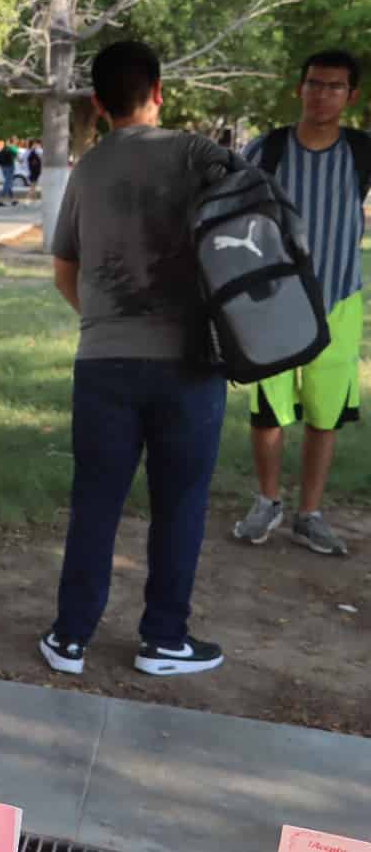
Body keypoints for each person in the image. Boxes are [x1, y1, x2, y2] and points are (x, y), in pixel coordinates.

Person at [41, 40, 232, 679]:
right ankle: (164, 639)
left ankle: (69, 639)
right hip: (192, 361)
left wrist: (101, 321)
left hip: (104, 362)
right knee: (180, 504)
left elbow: (64, 268)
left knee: (96, 502)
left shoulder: (87, 171)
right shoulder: (198, 154)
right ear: (159, 92)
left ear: (97, 102)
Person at [232, 50, 365, 556]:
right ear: (299, 88)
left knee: (324, 414)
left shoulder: (360, 151)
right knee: (267, 410)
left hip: (340, 300)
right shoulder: (267, 149)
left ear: (350, 96)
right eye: (314, 83)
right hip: (274, 300)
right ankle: (266, 502)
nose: (321, 93)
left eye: (334, 86)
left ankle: (310, 513)